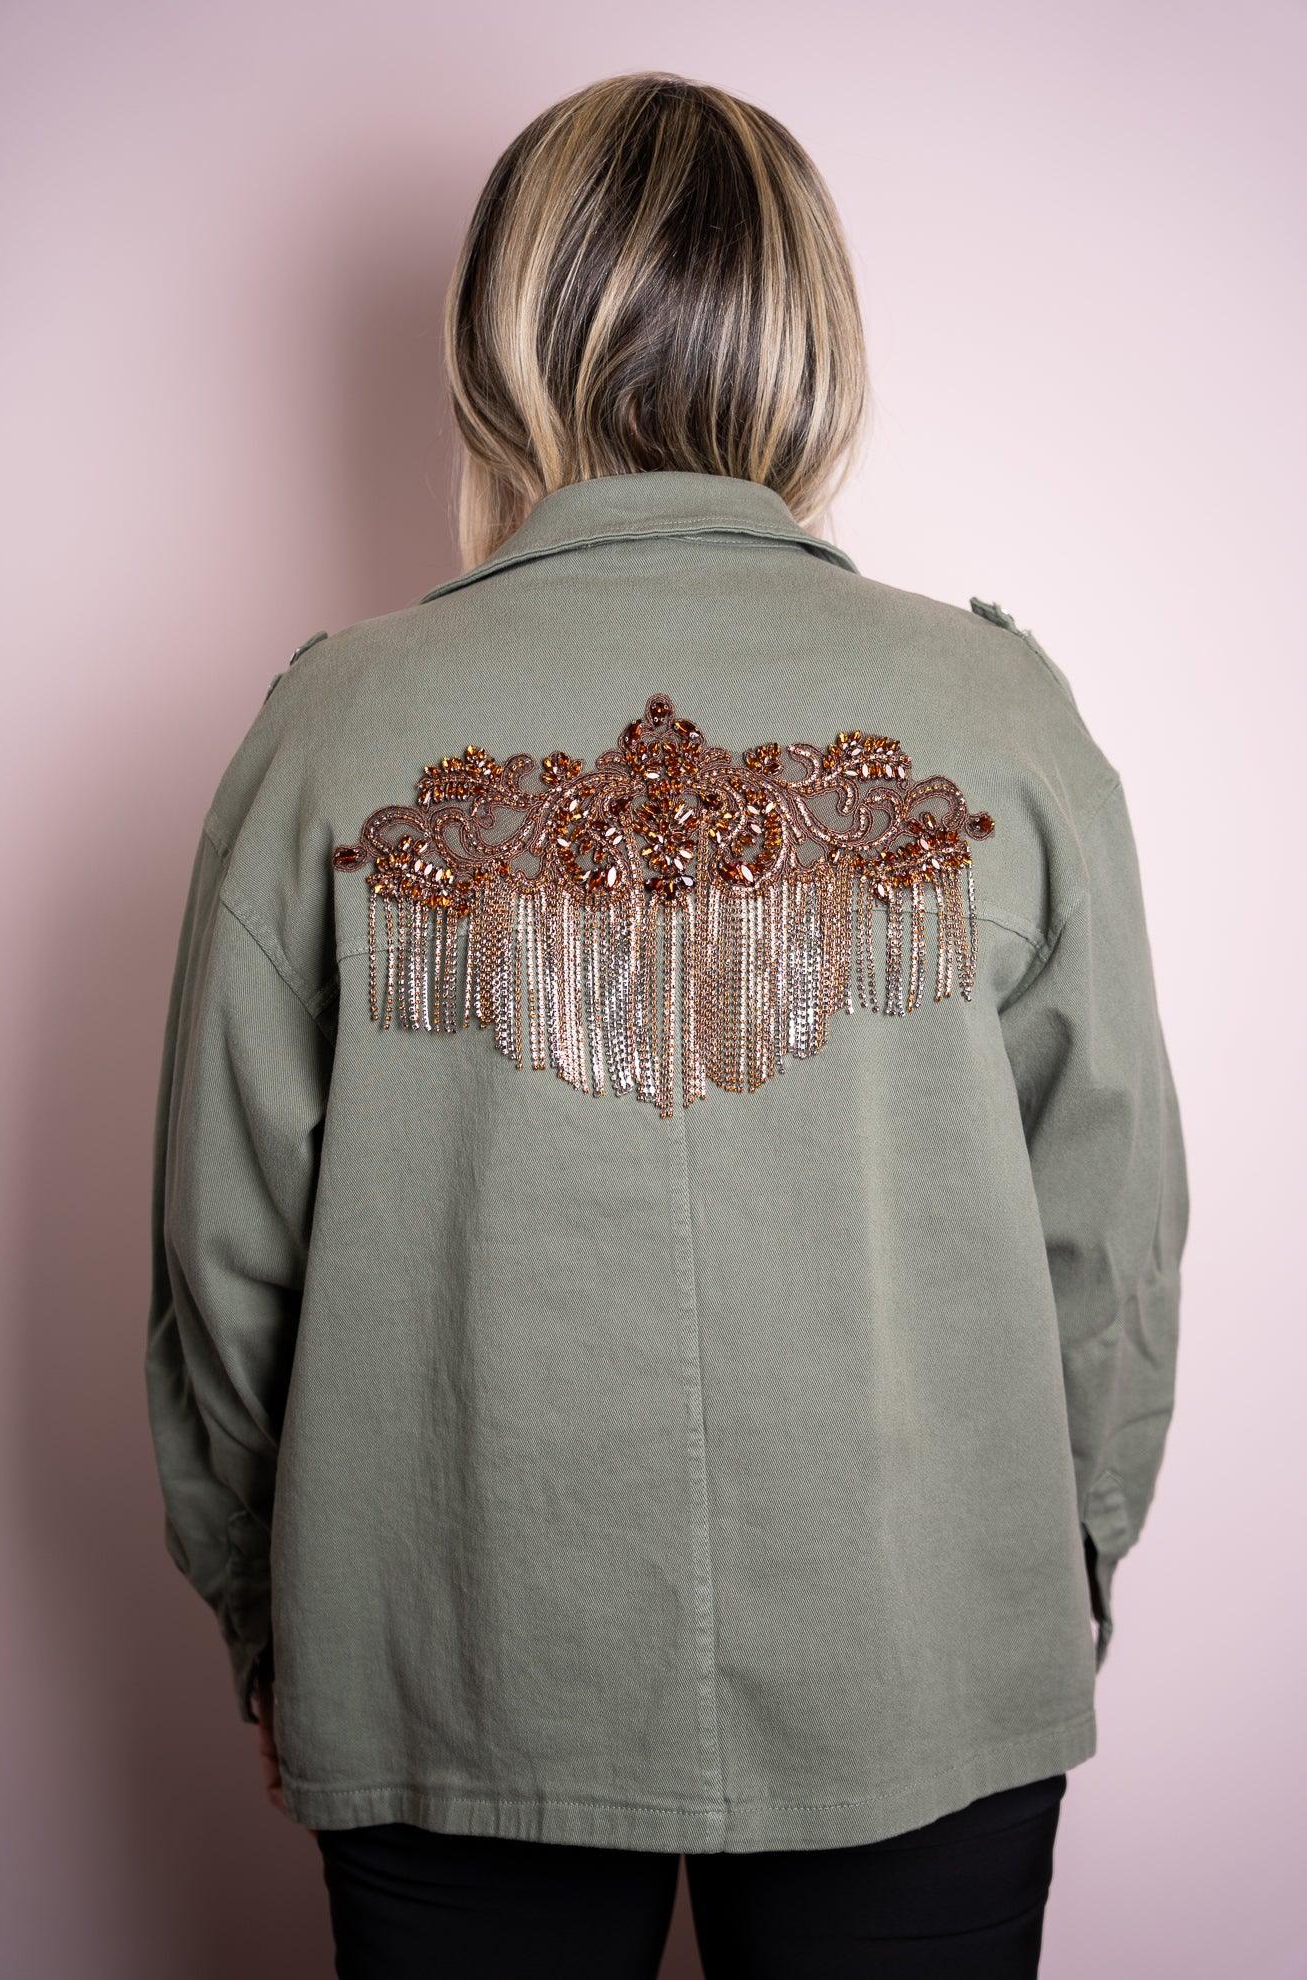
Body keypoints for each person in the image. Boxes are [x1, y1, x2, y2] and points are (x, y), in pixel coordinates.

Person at [144, 70, 1188, 1980]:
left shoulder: (335, 732)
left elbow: (225, 1272)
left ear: (502, 341)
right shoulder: (1000, 719)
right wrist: (1065, 1567)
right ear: (810, 343)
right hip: (923, 1643)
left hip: (444, 1655)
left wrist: (272, 1620)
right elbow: (1110, 1245)